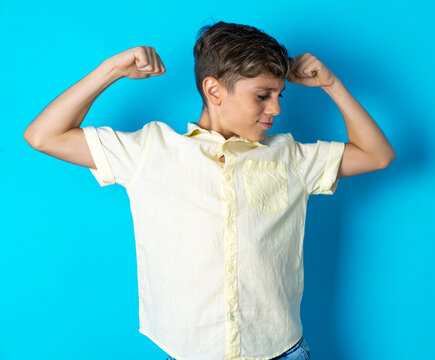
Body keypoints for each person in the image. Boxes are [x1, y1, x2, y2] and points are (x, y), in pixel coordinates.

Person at [24, 21, 395, 360]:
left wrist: (332, 85)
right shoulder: (149, 151)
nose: (276, 109)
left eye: (280, 95)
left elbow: (377, 155)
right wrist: (112, 71)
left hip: (279, 350)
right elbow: (43, 136)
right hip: (188, 350)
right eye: (263, 95)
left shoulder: (290, 156)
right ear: (214, 89)